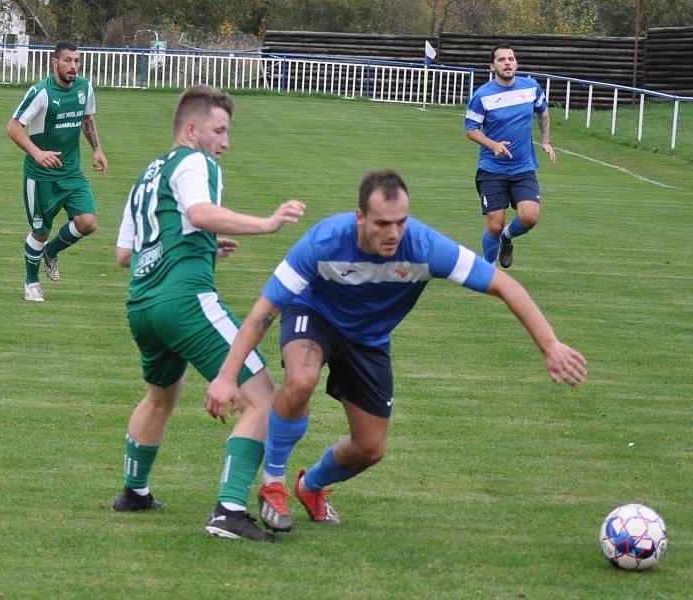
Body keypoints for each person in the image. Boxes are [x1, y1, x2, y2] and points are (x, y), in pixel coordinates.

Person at [205, 169, 586, 533]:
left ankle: (311, 485)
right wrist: (226, 377)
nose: (393, 233)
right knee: (300, 379)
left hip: (369, 340)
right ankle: (274, 481)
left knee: (370, 449)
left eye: (400, 221)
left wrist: (550, 344)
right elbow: (264, 311)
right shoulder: (324, 241)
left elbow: (505, 285)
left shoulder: (425, 247)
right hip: (314, 314)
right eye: (382, 223)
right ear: (360, 217)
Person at [112, 84, 305, 544]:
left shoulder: (148, 174)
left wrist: (200, 247)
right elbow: (199, 212)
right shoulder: (196, 162)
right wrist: (266, 223)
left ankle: (134, 492)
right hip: (184, 301)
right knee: (262, 396)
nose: (225, 142)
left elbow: (125, 253)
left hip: (142, 305)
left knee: (159, 397)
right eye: (219, 130)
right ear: (193, 129)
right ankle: (229, 511)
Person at [6, 41, 108, 302]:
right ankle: (31, 282)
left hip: (71, 172)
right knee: (40, 230)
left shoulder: (84, 87)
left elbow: (87, 119)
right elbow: (14, 127)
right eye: (67, 60)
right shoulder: (41, 92)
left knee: (87, 222)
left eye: (77, 60)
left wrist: (97, 150)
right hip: (40, 176)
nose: (73, 66)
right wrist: (37, 153)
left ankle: (51, 252)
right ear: (55, 62)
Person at [464, 44, 555, 269]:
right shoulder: (482, 95)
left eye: (511, 59)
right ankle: (487, 269)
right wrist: (492, 144)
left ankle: (507, 238)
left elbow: (543, 111)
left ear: (517, 63)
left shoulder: (531, 88)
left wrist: (545, 140)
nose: (507, 63)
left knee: (530, 217)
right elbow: (470, 129)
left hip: (523, 168)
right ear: (492, 66)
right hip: (491, 170)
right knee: (494, 225)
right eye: (502, 60)